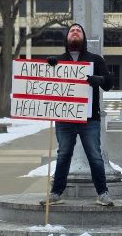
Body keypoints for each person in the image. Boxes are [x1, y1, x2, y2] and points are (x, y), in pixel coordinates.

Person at [45, 22, 114, 205]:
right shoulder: (57, 61)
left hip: (89, 119)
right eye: (72, 31)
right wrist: (48, 66)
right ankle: (56, 193)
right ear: (67, 38)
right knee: (63, 155)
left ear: (82, 38)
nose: (75, 32)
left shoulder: (96, 60)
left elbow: (109, 83)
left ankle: (103, 193)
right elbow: (46, 85)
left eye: (78, 31)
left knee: (95, 155)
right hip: (64, 118)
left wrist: (99, 79)